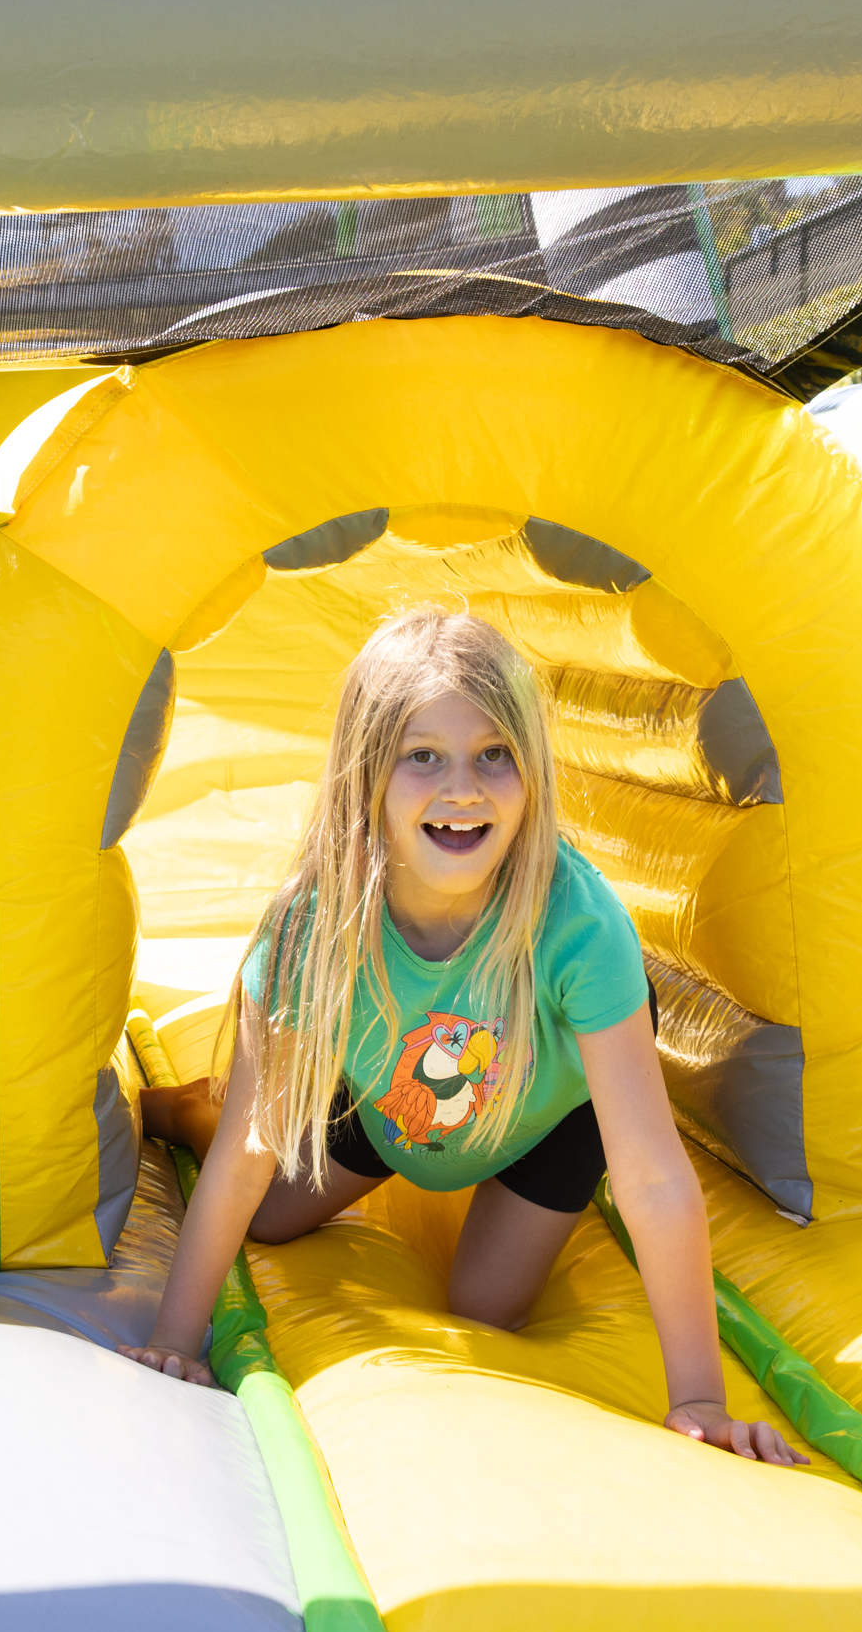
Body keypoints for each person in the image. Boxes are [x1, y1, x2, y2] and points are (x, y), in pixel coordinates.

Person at [121, 606, 803, 1465]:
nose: (463, 788)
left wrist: (700, 1397)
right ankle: (186, 1106)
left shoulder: (577, 924)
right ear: (365, 776)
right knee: (267, 1212)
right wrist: (178, 1342)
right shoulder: (312, 936)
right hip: (394, 1098)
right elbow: (251, 1151)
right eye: (422, 756)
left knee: (485, 1303)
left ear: (534, 773)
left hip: (549, 1106)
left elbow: (654, 1175)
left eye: (495, 754)